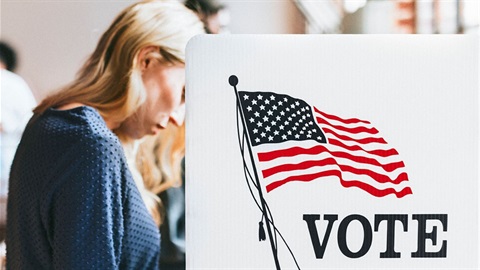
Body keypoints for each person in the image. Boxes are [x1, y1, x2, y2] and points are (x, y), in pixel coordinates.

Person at [6, 1, 204, 269]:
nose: (176, 118)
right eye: (182, 93)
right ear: (146, 60)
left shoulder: (48, 121)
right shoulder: (92, 144)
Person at [0, 41, 37, 235]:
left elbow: (30, 121)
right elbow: (31, 122)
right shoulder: (16, 83)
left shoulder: (12, 83)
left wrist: (7, 127)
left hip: (8, 154)